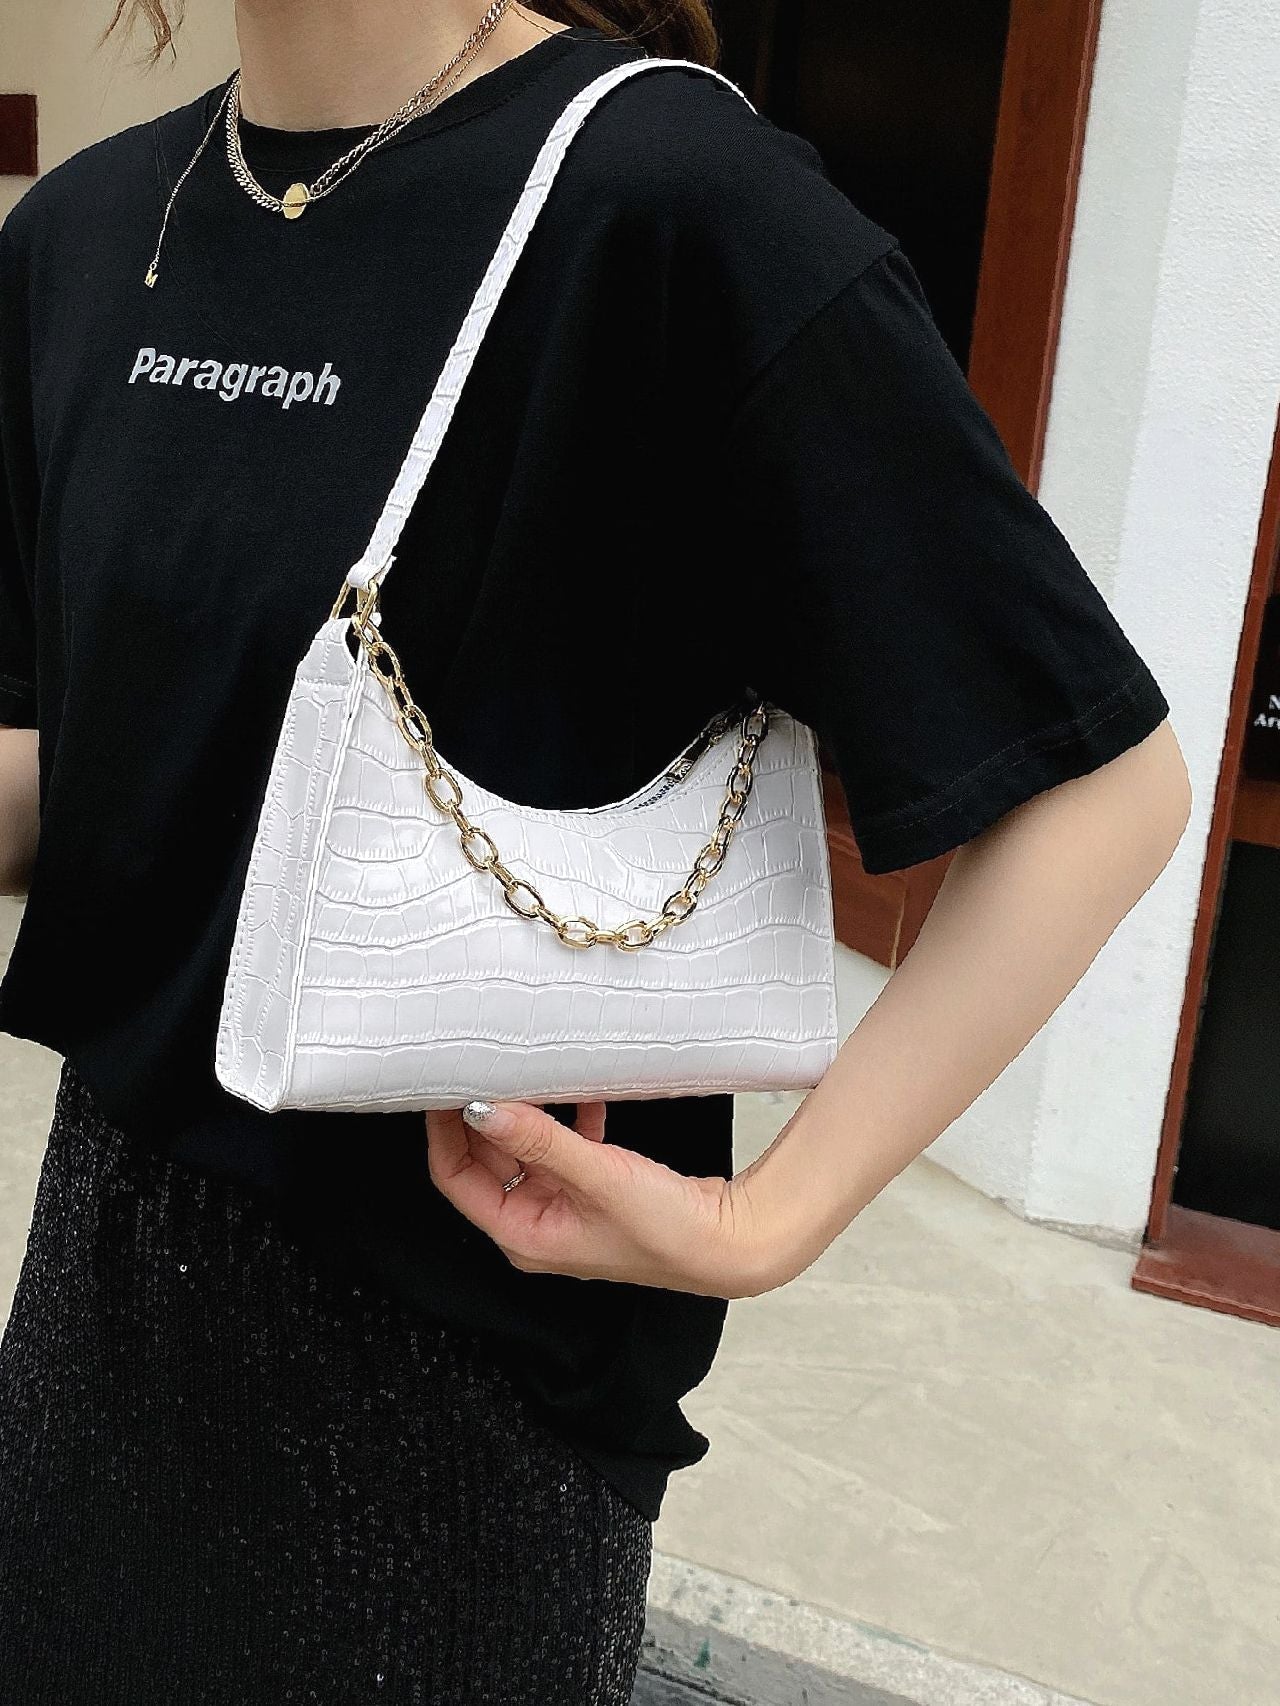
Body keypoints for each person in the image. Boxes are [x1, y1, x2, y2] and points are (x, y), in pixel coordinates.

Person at [0, 1, 1191, 1700]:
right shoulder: (89, 231)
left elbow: (1098, 787)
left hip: (456, 1445)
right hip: (89, 1339)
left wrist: (770, 1217)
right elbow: (100, 765)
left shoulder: (674, 205)